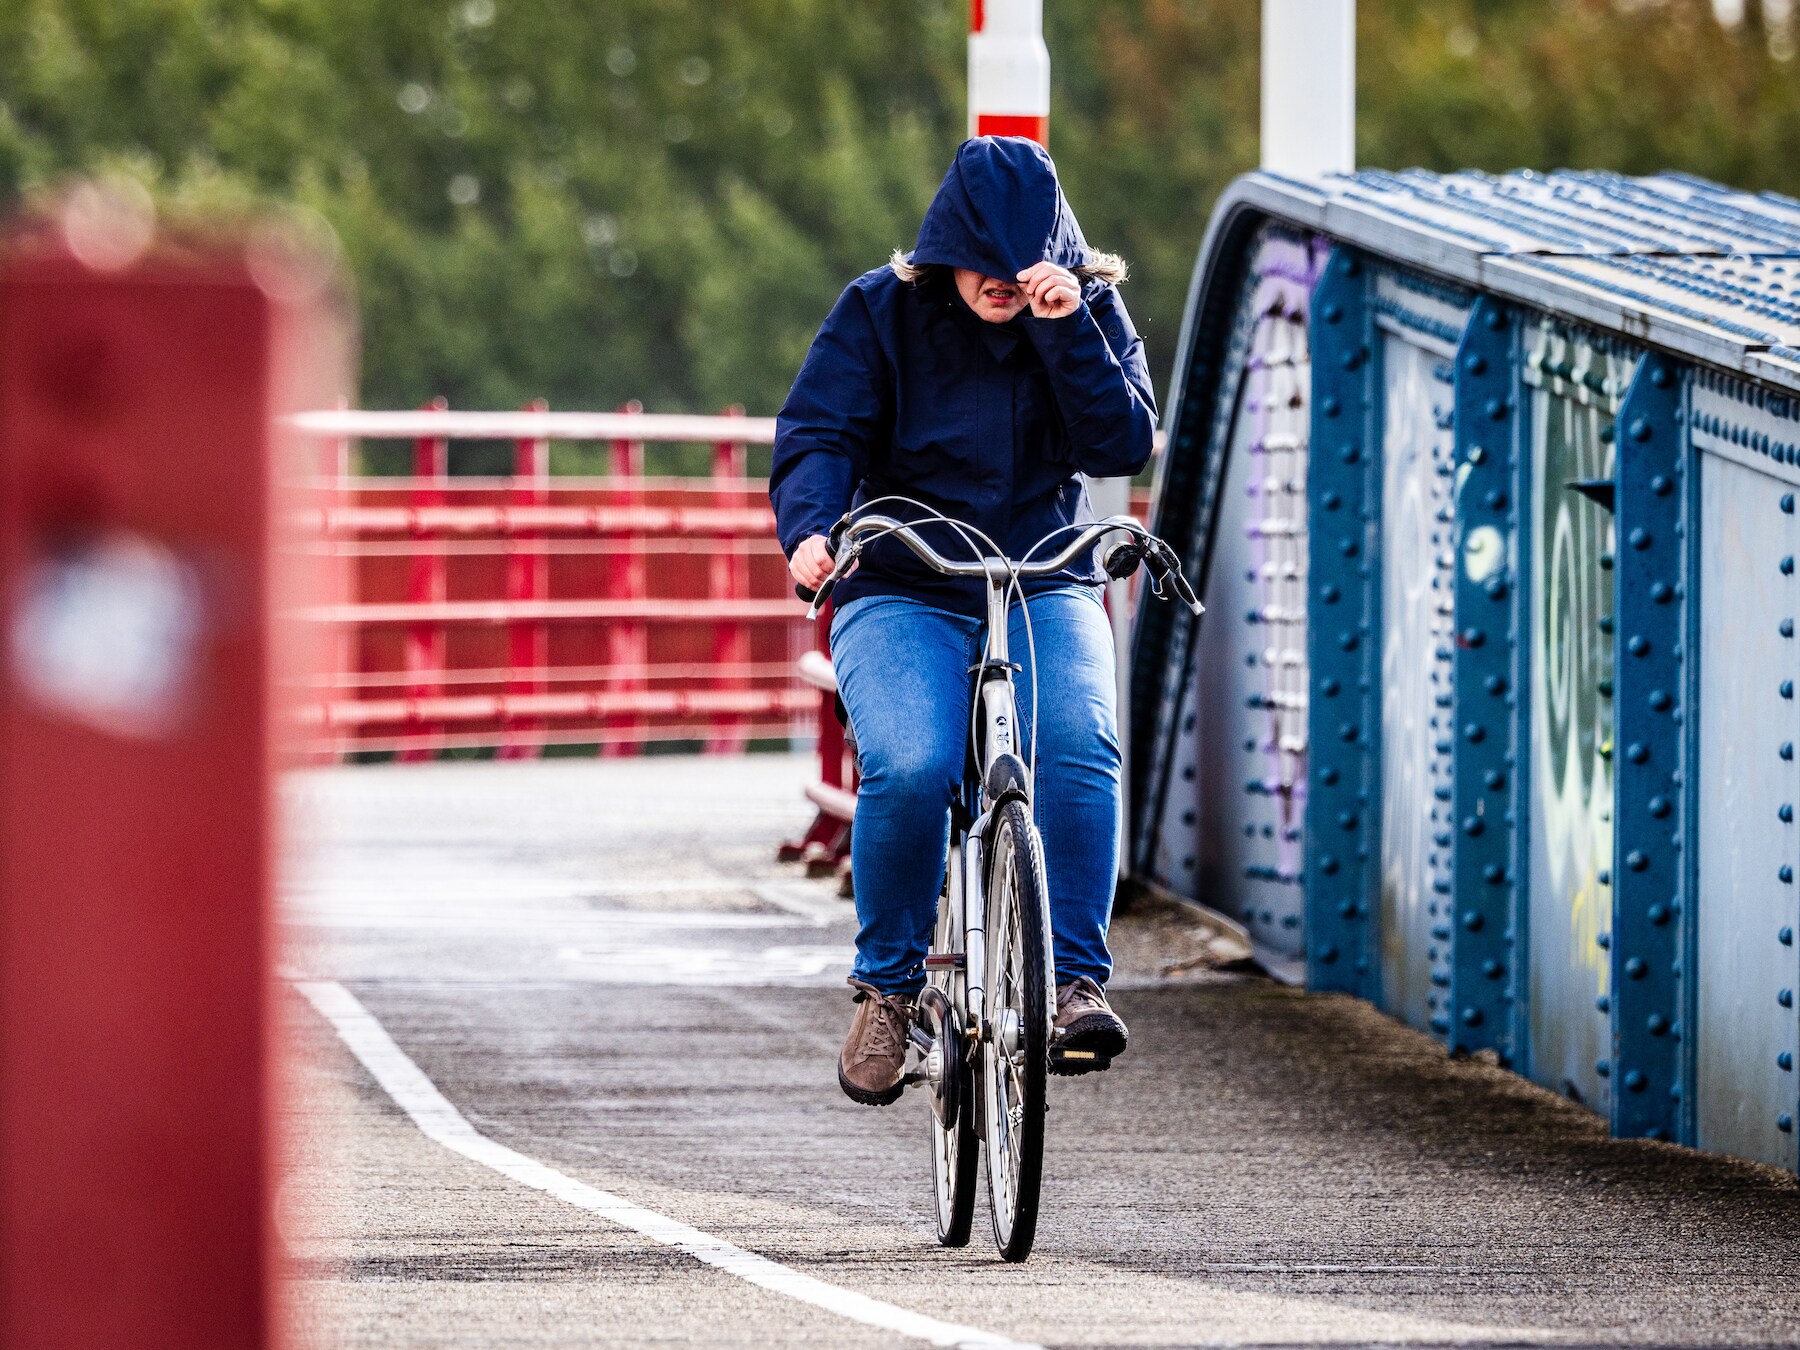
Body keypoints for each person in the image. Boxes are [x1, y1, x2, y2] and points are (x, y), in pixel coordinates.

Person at [769, 137, 1156, 1106]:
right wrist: (811, 530)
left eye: (1022, 263)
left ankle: (1073, 984)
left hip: (1040, 572)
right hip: (906, 579)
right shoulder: (880, 310)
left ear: (1055, 254)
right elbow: (819, 432)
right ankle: (889, 993)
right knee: (911, 761)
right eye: (982, 259)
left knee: (1078, 743)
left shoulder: (1087, 312)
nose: (1001, 281)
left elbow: (1124, 444)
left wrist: (1068, 332)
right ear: (947, 245)